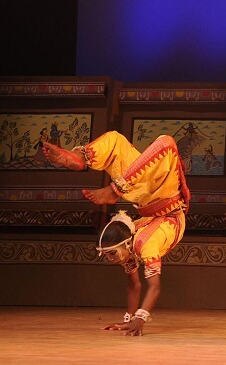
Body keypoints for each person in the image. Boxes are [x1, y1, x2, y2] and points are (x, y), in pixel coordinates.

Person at [42, 131, 190, 336]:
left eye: (111, 253)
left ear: (124, 244)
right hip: (160, 210)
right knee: (150, 145)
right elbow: (139, 285)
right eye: (107, 254)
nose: (110, 259)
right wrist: (128, 321)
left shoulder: (137, 243)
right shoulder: (135, 245)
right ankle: (96, 171)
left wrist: (138, 320)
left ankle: (100, 175)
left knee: (125, 141)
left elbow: (148, 286)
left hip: (158, 203)